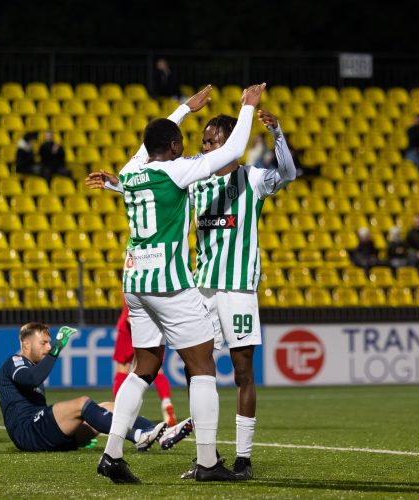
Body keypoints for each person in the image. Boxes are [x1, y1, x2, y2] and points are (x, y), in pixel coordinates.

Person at [86, 82, 266, 483]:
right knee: (202, 368)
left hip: (133, 282)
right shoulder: (176, 170)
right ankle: (207, 463)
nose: (185, 148)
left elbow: (149, 141)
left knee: (144, 367)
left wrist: (185, 108)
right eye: (181, 142)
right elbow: (233, 151)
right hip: (168, 284)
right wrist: (248, 109)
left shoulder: (133, 170)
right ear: (170, 147)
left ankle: (112, 455)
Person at [179, 108, 296, 480]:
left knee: (243, 372)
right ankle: (206, 458)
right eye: (204, 143)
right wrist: (118, 184)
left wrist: (277, 133)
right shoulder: (197, 181)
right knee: (196, 371)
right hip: (203, 287)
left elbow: (289, 173)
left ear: (229, 144)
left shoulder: (254, 178)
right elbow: (155, 185)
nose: (206, 149)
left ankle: (243, 459)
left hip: (238, 289)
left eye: (212, 142)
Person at [0, 322, 193, 452]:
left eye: (50, 343)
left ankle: (159, 432)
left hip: (46, 434)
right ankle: (137, 437)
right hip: (27, 432)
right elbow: (31, 379)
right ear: (25, 344)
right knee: (82, 403)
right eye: (44, 343)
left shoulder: (33, 366)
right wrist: (57, 350)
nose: (49, 347)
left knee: (110, 406)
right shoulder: (15, 361)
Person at [113, 301, 177, 427]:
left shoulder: (131, 281)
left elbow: (129, 312)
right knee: (156, 369)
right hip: (152, 327)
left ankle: (118, 411)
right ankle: (166, 402)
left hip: (129, 327)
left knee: (122, 368)